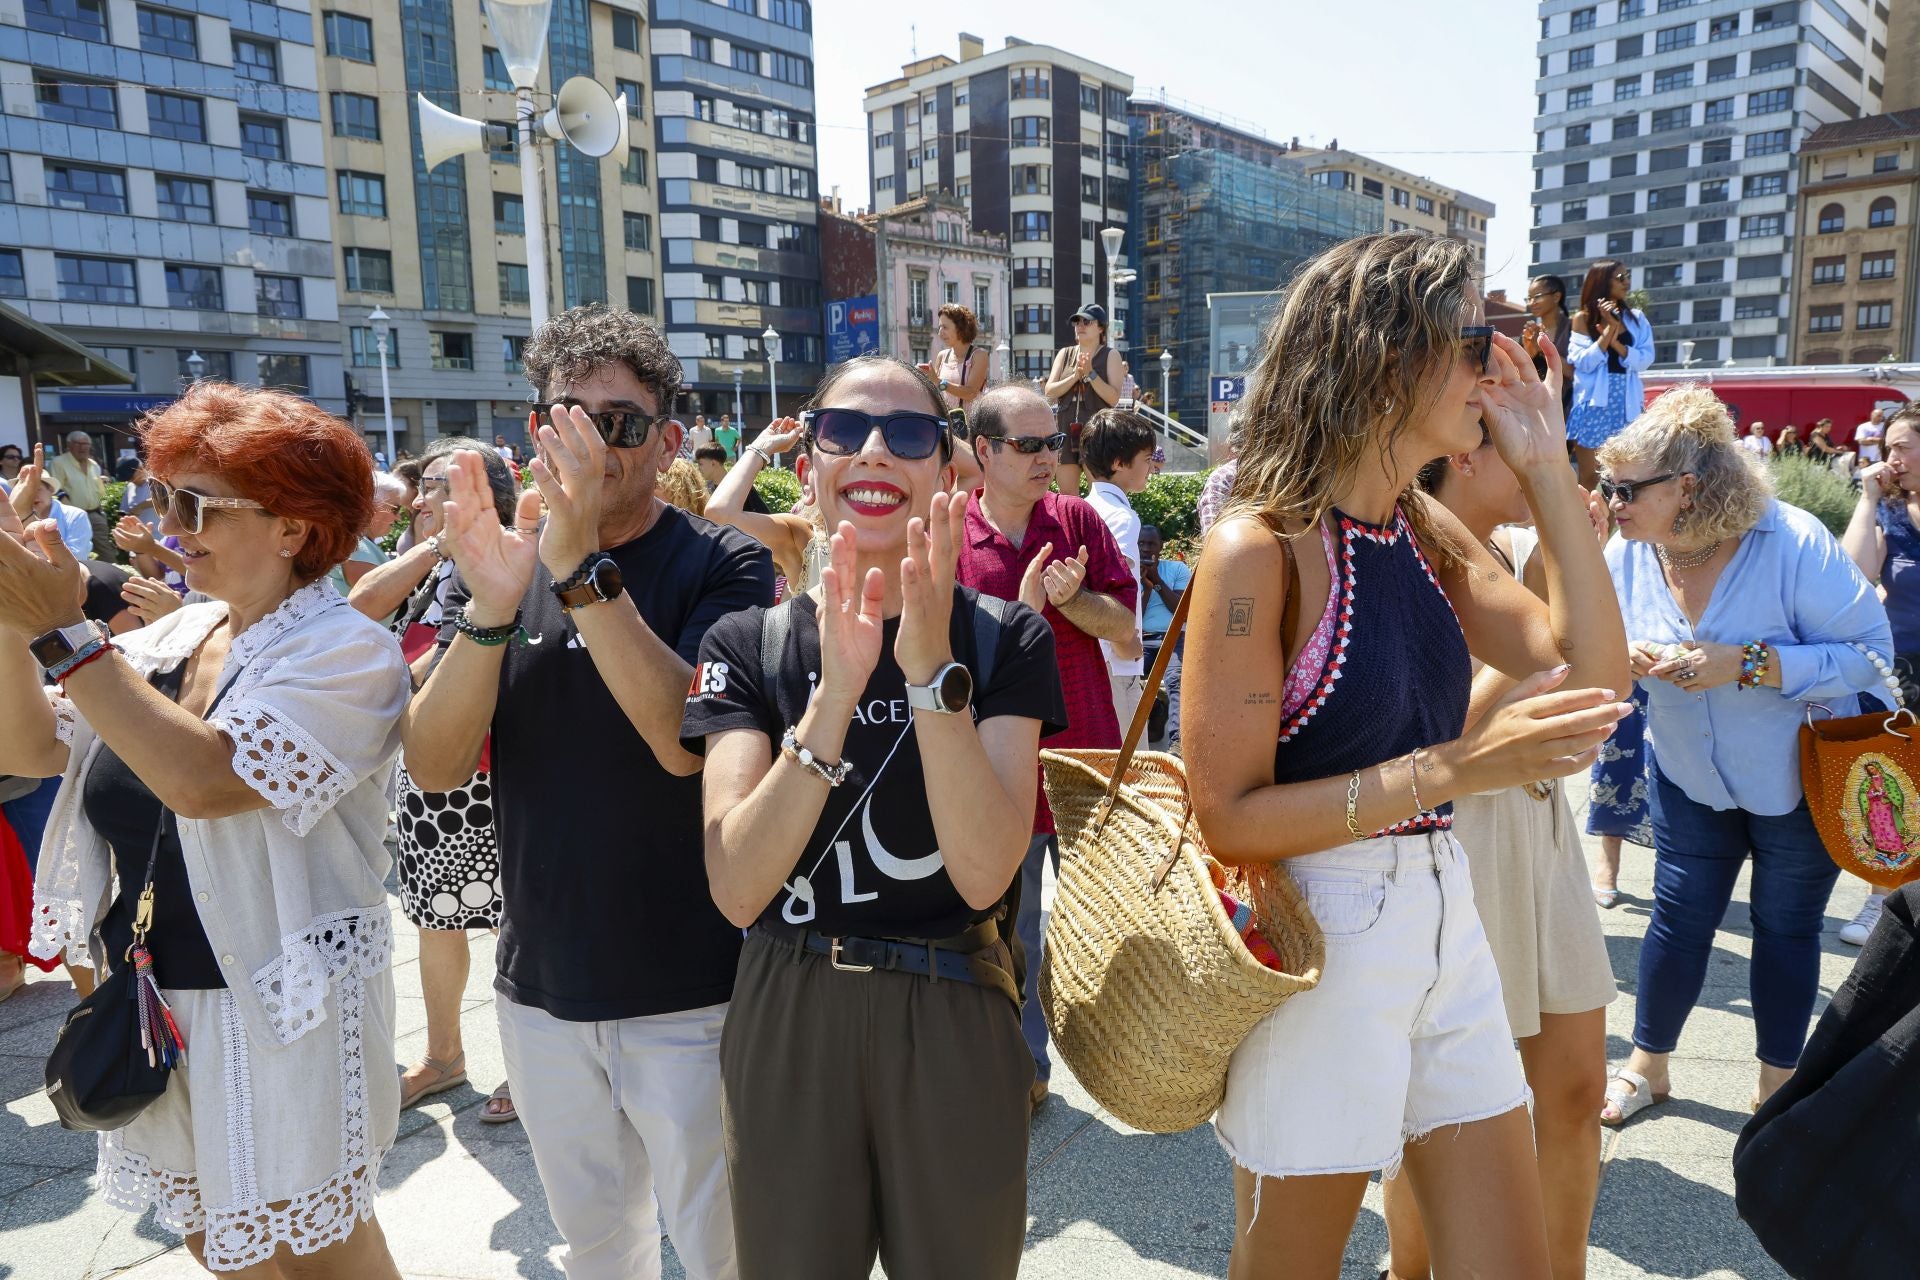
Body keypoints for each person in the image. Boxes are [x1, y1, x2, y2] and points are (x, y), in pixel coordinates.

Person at [1182, 231, 1630, 1278]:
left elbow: (1592, 673)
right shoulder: (1260, 547)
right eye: (1477, 339)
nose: (1498, 364)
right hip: (1319, 930)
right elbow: (1230, 815)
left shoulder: (1421, 526)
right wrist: (1460, 767)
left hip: (1445, 914)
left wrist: (1549, 471)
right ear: (1390, 357)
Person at [2, 381, 412, 1275]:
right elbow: (30, 745)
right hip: (153, 996)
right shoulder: (174, 633)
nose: (169, 523)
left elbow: (204, 780)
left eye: (195, 504)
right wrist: (14, 613)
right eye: (159, 497)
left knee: (319, 1244)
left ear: (294, 528)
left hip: (279, 999)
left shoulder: (347, 649)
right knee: (211, 1235)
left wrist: (67, 632)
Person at [401, 304, 770, 1279]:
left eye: (624, 422)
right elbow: (433, 762)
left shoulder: (724, 563)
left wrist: (576, 571)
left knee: (730, 1250)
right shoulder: (500, 563)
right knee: (598, 1250)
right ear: (537, 429)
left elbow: (684, 740)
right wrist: (488, 607)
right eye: (573, 415)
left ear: (670, 440)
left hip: (699, 992)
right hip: (540, 989)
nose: (598, 444)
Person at [682, 353, 1066, 1279]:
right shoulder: (750, 641)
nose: (875, 453)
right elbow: (736, 886)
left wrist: (931, 676)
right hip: (791, 995)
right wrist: (838, 690)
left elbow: (985, 874)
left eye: (910, 434)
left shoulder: (1003, 637)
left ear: (947, 467)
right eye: (845, 431)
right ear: (809, 460)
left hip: (953, 999)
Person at [1594, 384, 1892, 1127]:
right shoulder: (1629, 550)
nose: (1612, 502)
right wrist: (1620, 655)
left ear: (1687, 488)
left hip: (1800, 779)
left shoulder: (1789, 541)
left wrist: (1751, 663)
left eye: (1627, 489)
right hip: (1687, 773)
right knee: (1676, 918)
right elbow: (1591, 644)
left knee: (1786, 929)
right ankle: (1647, 1067)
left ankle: (1773, 1089)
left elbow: (1870, 656)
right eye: (1608, 486)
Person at [1386, 421, 1618, 1280]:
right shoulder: (1396, 552)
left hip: (1538, 829)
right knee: (1435, 1112)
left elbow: (1595, 693)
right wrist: (1535, 650)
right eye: (1514, 438)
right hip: (1447, 837)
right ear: (1464, 454)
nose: (1539, 456)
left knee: (1575, 1093)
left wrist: (1562, 568)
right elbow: (1430, 736)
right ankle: (1411, 1270)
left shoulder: (1530, 547)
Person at [954, 384, 1138, 1110]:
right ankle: (1028, 1069)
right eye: (1028, 446)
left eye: (1053, 443)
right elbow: (943, 659)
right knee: (1014, 932)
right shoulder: (951, 536)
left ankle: (1132, 1059)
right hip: (1002, 770)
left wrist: (1074, 603)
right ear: (986, 452)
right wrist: (1024, 617)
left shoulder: (1078, 518)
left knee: (1113, 922)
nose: (1046, 458)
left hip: (1085, 762)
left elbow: (1124, 628)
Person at [347, 439, 520, 1124]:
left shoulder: (512, 559)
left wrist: (394, 691)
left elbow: (441, 663)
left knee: (517, 919)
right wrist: (433, 547)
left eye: (435, 486)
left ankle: (523, 1065)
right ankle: (445, 1056)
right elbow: (359, 608)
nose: (417, 500)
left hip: (500, 769)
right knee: (434, 917)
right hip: (430, 774)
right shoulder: (433, 566)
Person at [1838, 403, 1920, 945]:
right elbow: (1858, 571)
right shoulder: (1889, 511)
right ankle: (1880, 900)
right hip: (1904, 671)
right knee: (1895, 788)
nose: (1889, 457)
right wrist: (1868, 499)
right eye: (1886, 446)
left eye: (1901, 446)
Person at [1080, 408, 1156, 730]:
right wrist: (1128, 645)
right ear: (1119, 463)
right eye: (1146, 459)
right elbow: (1114, 587)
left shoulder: (1083, 507)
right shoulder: (1122, 519)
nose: (1151, 467)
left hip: (1090, 656)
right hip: (1116, 659)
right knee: (1128, 764)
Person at [1567, 259, 1654, 488]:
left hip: (1627, 404)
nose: (1627, 282)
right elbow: (1583, 362)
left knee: (1621, 477)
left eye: (1628, 276)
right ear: (1602, 282)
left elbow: (1645, 360)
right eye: (1620, 278)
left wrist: (1617, 343)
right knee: (1590, 476)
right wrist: (1609, 331)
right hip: (1594, 404)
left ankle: (1611, 524)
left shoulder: (1636, 318)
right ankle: (1582, 523)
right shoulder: (1582, 319)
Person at [704, 420, 820, 591]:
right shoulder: (802, 537)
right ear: (806, 475)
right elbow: (720, 515)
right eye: (842, 438)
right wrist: (762, 447)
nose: (871, 453)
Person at [1043, 303, 1125, 498]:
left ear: (1101, 328)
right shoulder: (1065, 354)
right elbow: (1049, 392)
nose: (1080, 325)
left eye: (1086, 321)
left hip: (1097, 432)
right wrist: (1074, 377)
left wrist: (1091, 374)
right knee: (1067, 497)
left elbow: (1113, 398)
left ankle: (1095, 529)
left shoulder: (1110, 355)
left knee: (1099, 495)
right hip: (1065, 427)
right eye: (1077, 321)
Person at [1138, 524, 1191, 750]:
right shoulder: (1127, 571)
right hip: (1143, 638)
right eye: (1141, 543)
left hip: (1174, 636)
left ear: (1161, 546)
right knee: (1127, 679)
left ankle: (1177, 744)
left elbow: (1182, 611)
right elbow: (1132, 617)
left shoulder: (1177, 570)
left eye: (1151, 544)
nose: (1145, 548)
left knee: (1176, 679)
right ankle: (1156, 710)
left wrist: (1156, 581)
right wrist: (1146, 589)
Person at [326, 471, 407, 603]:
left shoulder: (357, 542)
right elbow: (377, 596)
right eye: (395, 509)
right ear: (370, 506)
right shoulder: (356, 545)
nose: (398, 517)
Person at [46, 429, 114, 560]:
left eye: (86, 444)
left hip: (95, 514)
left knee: (106, 551)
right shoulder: (58, 463)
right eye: (78, 444)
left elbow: (100, 490)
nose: (83, 447)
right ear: (69, 445)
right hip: (73, 517)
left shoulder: (94, 464)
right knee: (77, 553)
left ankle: (113, 578)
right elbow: (56, 490)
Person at [1523, 273, 1574, 420]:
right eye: (1529, 298)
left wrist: (1543, 349)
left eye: (1537, 296)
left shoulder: (1573, 329)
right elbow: (1521, 372)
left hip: (1569, 407)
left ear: (1556, 297)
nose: (1532, 302)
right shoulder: (1530, 333)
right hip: (1538, 408)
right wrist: (1531, 351)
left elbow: (1573, 372)